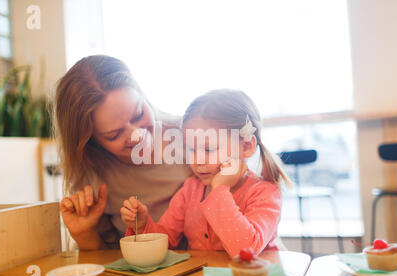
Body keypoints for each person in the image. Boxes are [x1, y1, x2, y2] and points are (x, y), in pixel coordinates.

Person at [120, 89, 290, 258]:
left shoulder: (265, 193)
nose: (198, 160)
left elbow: (245, 250)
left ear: (246, 146)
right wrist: (143, 226)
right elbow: (168, 240)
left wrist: (219, 190)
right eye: (192, 149)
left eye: (208, 149)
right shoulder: (190, 190)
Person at [55, 55, 191, 250]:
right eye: (114, 134)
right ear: (91, 143)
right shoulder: (95, 177)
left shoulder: (194, 136)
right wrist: (83, 234)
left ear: (142, 94)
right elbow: (107, 261)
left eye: (138, 114)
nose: (137, 136)